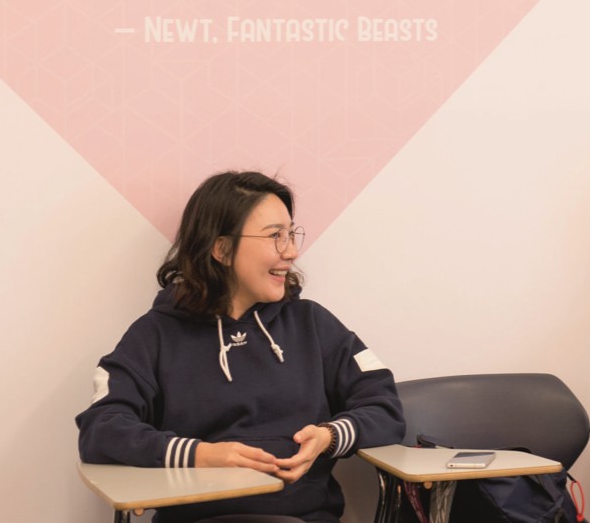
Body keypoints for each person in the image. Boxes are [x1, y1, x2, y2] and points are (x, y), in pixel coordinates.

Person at [77, 171, 405, 522]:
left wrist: (329, 436)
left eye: (290, 234)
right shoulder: (154, 334)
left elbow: (385, 408)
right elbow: (101, 428)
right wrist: (200, 456)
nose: (291, 251)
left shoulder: (312, 324)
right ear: (221, 249)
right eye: (275, 236)